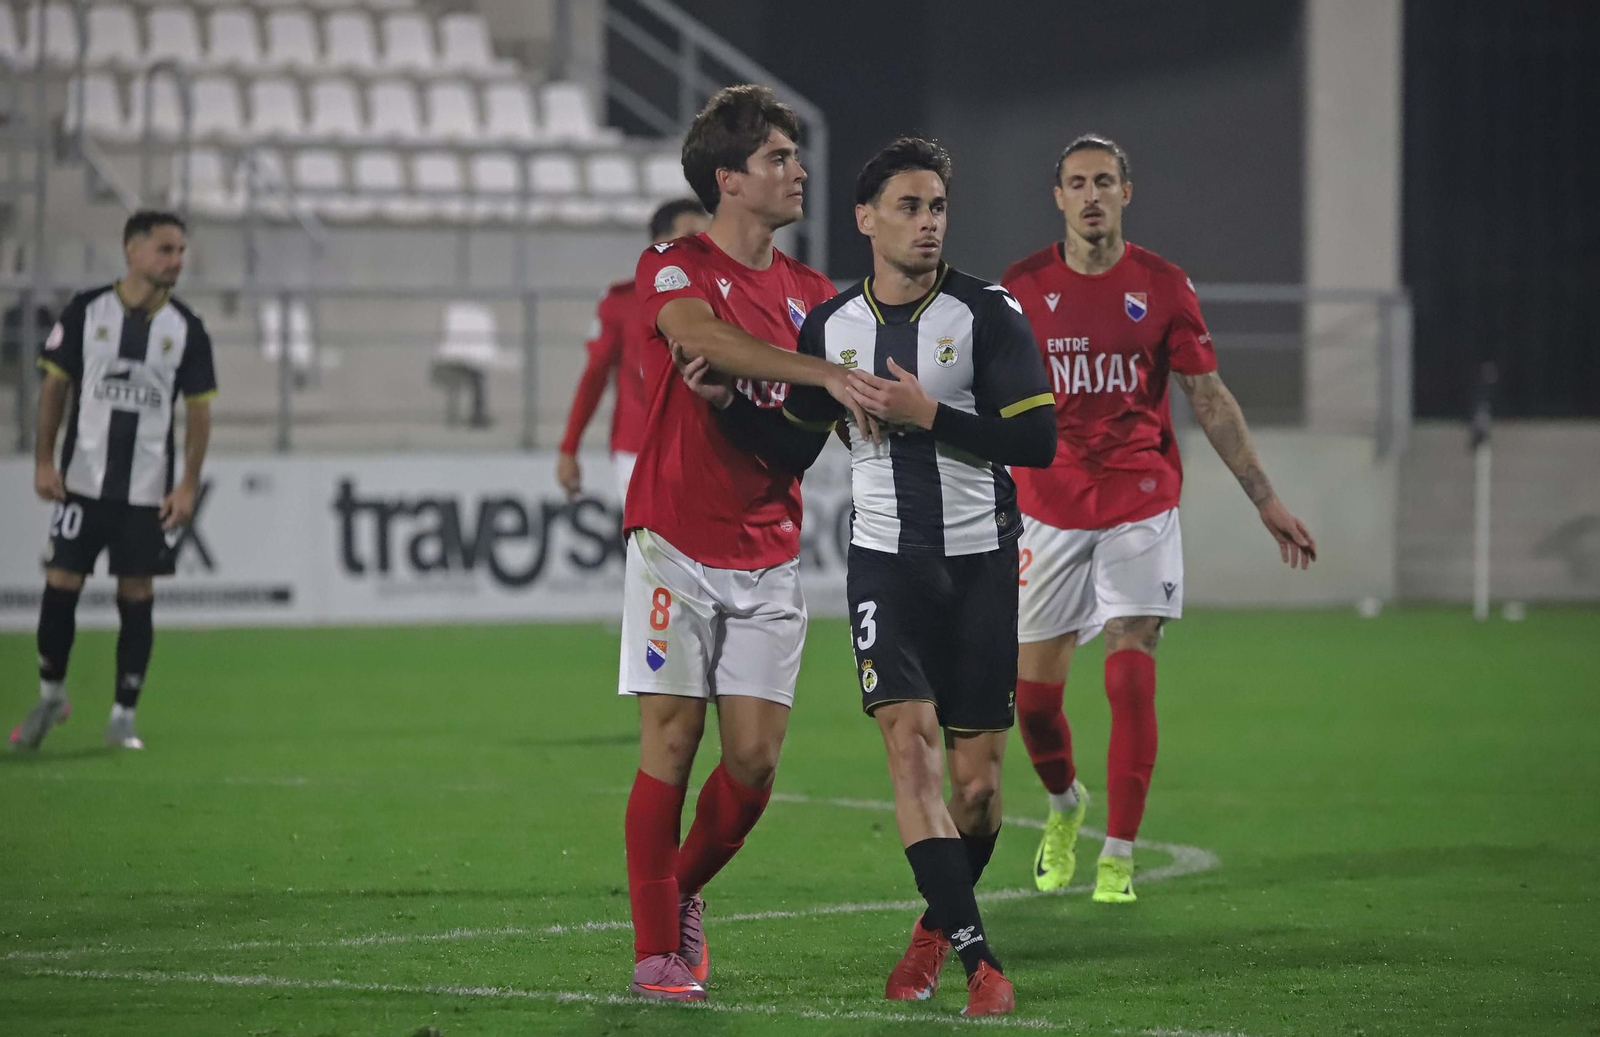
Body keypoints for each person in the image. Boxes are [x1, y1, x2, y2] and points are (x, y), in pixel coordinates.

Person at [681, 137, 1054, 1016]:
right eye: (909, 208)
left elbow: (1037, 441)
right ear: (866, 218)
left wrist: (931, 414)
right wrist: (728, 403)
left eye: (937, 209)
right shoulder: (831, 328)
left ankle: (934, 928)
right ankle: (979, 964)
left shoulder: (988, 313)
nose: (927, 225)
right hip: (886, 567)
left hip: (983, 566)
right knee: (909, 752)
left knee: (979, 790)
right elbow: (792, 448)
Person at [1000, 135, 1317, 902]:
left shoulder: (1164, 285)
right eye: (1077, 183)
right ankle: (1066, 805)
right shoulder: (1021, 287)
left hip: (1140, 501)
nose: (1091, 196)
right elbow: (988, 389)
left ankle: (1118, 852)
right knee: (1035, 707)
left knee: (1131, 667)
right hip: (1049, 505)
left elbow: (1210, 397)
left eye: (1104, 181)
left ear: (1127, 191)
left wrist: (1264, 497)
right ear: (1059, 197)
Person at [618, 84, 870, 1002]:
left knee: (756, 763)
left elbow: (825, 424)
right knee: (671, 740)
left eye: (794, 157)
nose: (797, 171)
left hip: (768, 550)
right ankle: (655, 954)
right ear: (729, 179)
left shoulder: (812, 296)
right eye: (777, 158)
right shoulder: (674, 265)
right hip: (673, 541)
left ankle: (677, 892)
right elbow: (698, 337)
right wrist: (826, 372)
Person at [10, 210, 217, 752]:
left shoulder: (188, 329)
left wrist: (188, 484)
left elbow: (198, 413)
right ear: (133, 251)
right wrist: (43, 461)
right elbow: (55, 388)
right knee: (59, 587)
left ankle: (124, 712)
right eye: (166, 250)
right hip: (81, 482)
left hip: (146, 493)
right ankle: (51, 694)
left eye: (180, 252)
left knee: (137, 595)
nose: (176, 261)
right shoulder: (86, 311)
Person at [556, 198, 709, 502]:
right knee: (653, 544)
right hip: (639, 449)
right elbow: (595, 375)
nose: (700, 247)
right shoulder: (623, 303)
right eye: (689, 237)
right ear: (658, 244)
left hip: (706, 450)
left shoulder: (717, 301)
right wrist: (569, 448)